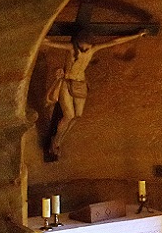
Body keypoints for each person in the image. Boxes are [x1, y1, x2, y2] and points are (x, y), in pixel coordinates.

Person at [43, 29, 150, 158]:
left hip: (81, 84)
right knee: (69, 116)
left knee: (77, 116)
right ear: (78, 42)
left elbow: (114, 41)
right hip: (67, 82)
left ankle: (60, 141)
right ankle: (55, 142)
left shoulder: (93, 49)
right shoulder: (71, 48)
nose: (85, 48)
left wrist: (137, 35)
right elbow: (50, 43)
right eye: (82, 45)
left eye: (87, 45)